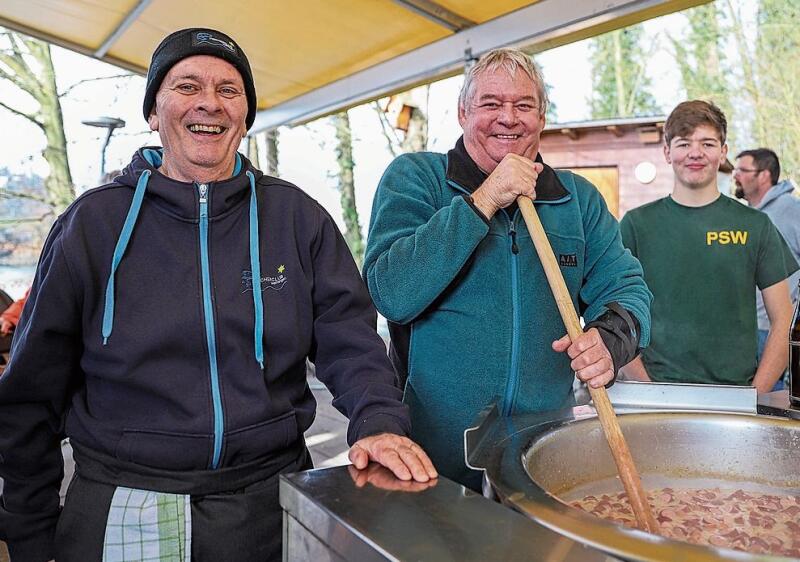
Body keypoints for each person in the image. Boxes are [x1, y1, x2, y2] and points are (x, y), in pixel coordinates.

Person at [0, 28, 435, 562]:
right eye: (187, 86)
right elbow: (32, 391)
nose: (210, 102)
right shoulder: (92, 223)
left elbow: (350, 340)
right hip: (123, 497)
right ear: (154, 112)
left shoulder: (297, 219)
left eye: (230, 90)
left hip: (266, 497)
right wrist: (28, 526)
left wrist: (379, 423)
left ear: (246, 116)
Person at [363, 48, 651, 490]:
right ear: (463, 112)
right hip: (430, 458)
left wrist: (610, 339)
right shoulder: (417, 178)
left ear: (542, 117)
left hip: (541, 454)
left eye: (523, 105)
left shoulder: (578, 200)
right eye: (491, 104)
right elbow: (391, 293)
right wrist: (482, 201)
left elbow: (627, 287)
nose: (508, 118)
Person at [620, 101, 798, 393]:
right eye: (684, 143)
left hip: (734, 395)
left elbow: (783, 319)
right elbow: (614, 314)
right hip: (655, 394)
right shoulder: (636, 225)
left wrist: (756, 394)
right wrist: (644, 385)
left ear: (723, 152)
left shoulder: (756, 225)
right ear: (667, 152)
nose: (695, 153)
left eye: (707, 143)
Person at [733, 148, 800, 384]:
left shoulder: (791, 210)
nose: (735, 175)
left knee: (768, 404)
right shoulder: (748, 216)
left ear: (763, 175)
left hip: (773, 331)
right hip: (746, 329)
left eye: (742, 170)